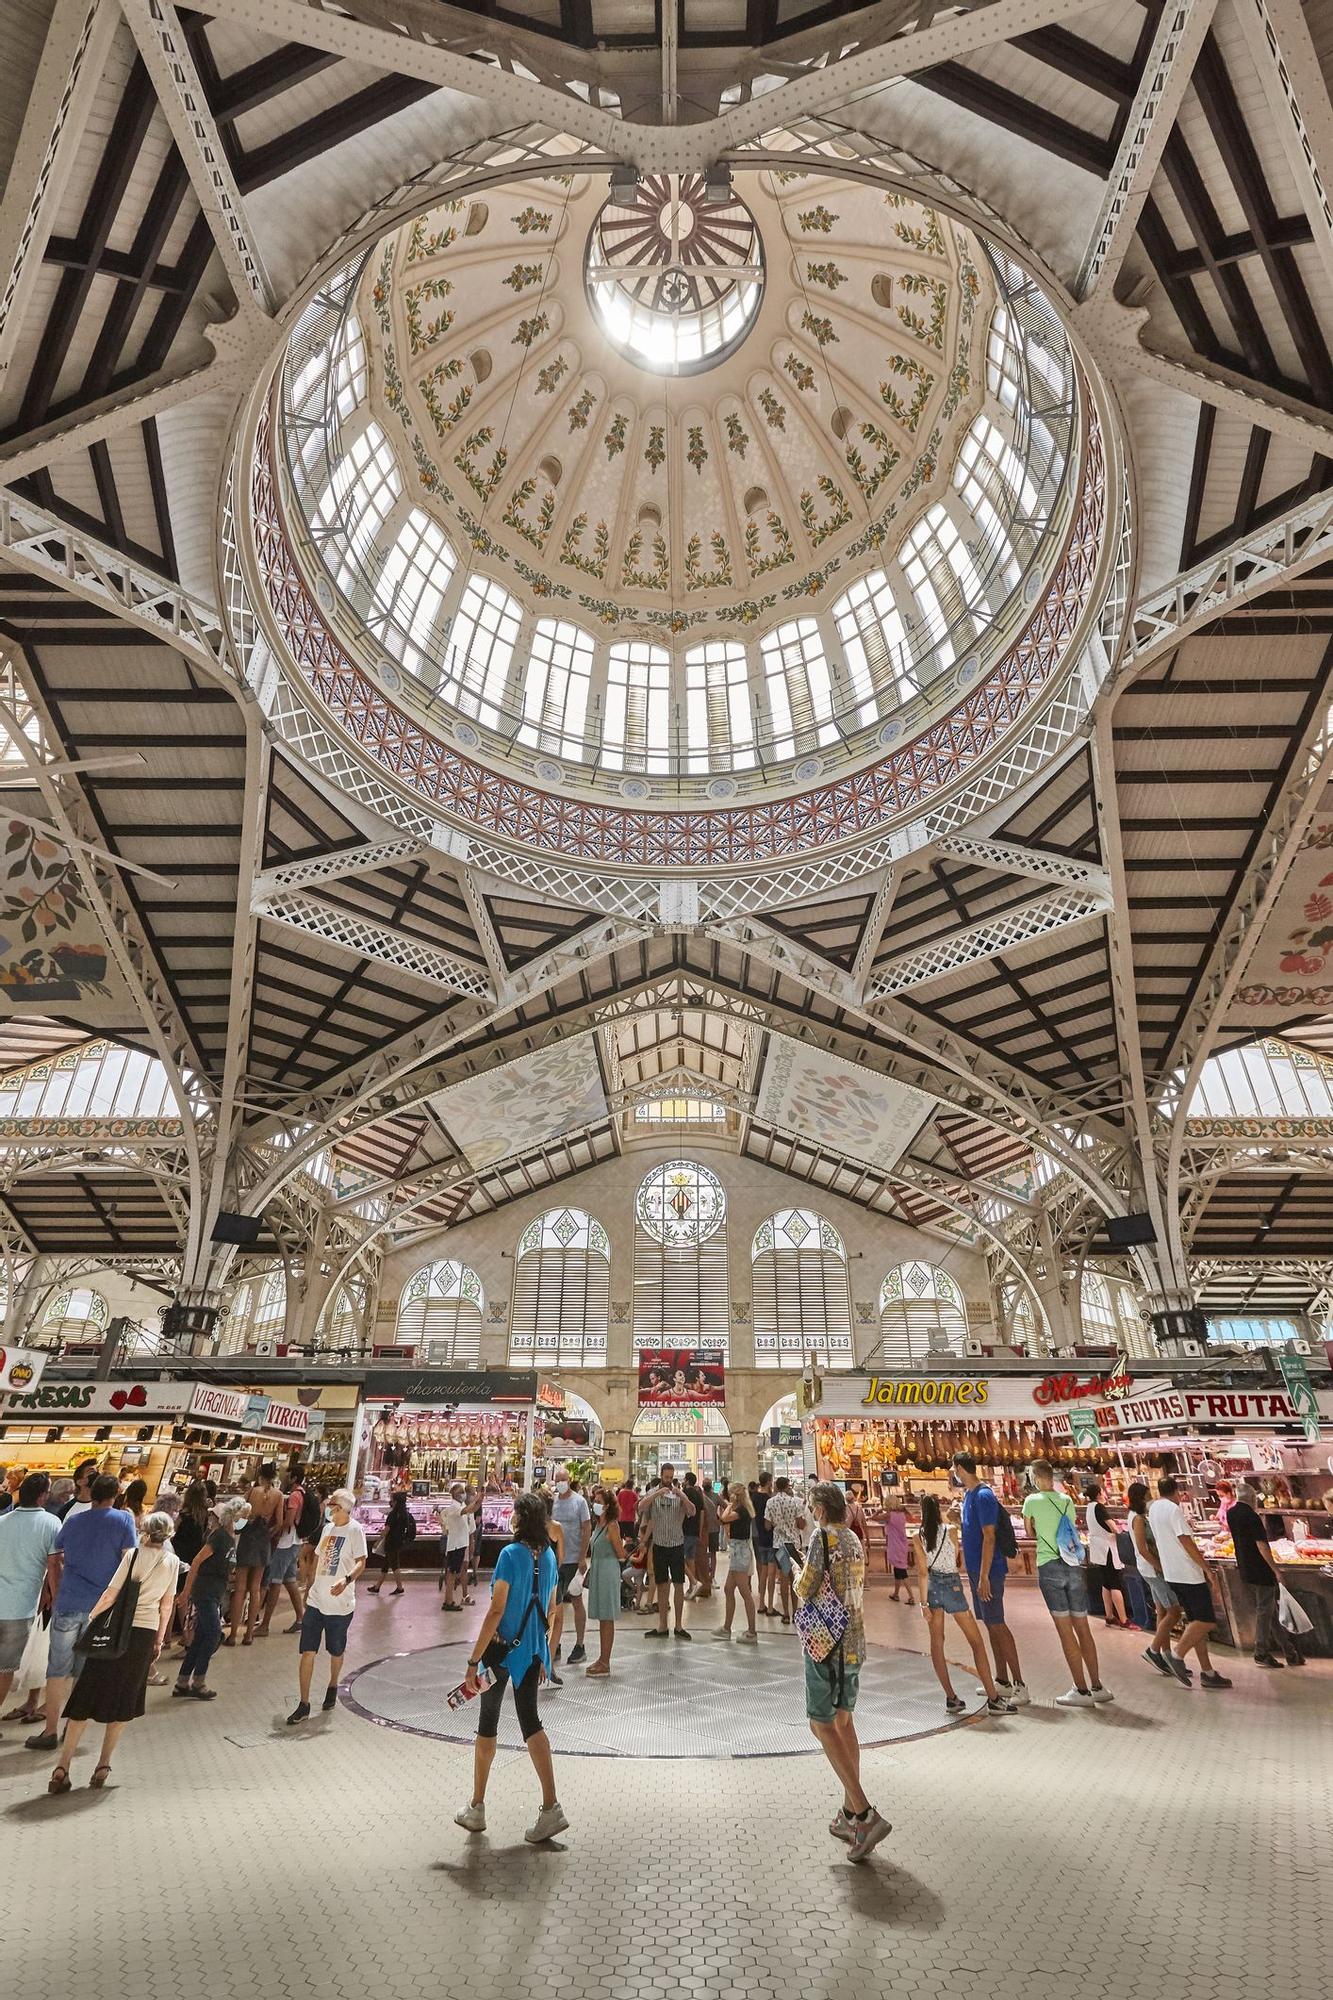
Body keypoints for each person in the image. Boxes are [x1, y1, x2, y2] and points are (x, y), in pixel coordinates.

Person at [454, 1489, 567, 1844]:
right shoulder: (548, 1556)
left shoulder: (508, 1554)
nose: (511, 1518)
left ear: (522, 1519)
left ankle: (477, 1807)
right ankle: (551, 1808)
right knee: (531, 1722)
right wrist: (546, 1652)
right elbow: (551, 1608)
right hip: (531, 1652)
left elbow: (496, 1610)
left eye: (515, 1513)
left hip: (500, 1653)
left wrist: (474, 1659)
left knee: (488, 1722)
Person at [47, 1510, 179, 1793]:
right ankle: (103, 1765)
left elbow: (111, 1594)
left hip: (114, 1631)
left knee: (85, 1696)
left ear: (144, 1529)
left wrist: (92, 1621)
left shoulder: (132, 1556)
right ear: (169, 1533)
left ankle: (62, 1766)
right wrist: (159, 1639)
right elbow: (167, 1604)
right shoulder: (172, 1562)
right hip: (143, 1634)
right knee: (124, 1699)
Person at [796, 1481, 890, 1863]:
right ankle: (849, 1812)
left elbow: (807, 1587)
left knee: (821, 1724)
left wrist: (795, 1571)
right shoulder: (851, 1537)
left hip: (826, 1643)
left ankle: (865, 1814)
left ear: (819, 1508)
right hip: (854, 1639)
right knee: (844, 1721)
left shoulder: (822, 1537)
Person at [27, 1474, 137, 1751]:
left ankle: (49, 1730)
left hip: (68, 1602)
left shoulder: (73, 1521)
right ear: (115, 1496)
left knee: (57, 1669)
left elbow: (56, 1556)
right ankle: (70, 1729)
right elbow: (129, 1561)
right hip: (99, 1609)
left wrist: (55, 1588)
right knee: (83, 1671)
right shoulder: (124, 1520)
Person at [1020, 1461, 1112, 1708]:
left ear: (1036, 1477)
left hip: (1049, 1565)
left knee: (1064, 1629)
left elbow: (1030, 1533)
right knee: (1083, 1627)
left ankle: (1081, 1690)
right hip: (1072, 1564)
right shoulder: (1066, 1501)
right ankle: (1097, 1685)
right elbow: (1070, 1527)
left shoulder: (1032, 1502)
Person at [914, 1495, 1014, 1716]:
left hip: (932, 1588)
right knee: (976, 1642)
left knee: (937, 1644)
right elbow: (957, 1560)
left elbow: (922, 1572)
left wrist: (923, 1605)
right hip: (952, 1586)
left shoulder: (917, 1536)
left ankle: (951, 1697)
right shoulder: (950, 1530)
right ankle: (993, 1698)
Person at [287, 1489, 368, 1725]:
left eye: (333, 1506)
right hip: (316, 1601)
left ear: (343, 1509)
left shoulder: (355, 1530)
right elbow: (319, 1557)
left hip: (340, 1605)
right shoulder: (327, 1529)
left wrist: (347, 1580)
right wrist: (309, 1585)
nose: (330, 1510)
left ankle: (333, 1684)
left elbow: (361, 1561)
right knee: (307, 1651)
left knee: (335, 1650)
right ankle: (303, 1703)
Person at [953, 1455, 1027, 1702]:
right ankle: (1002, 1680)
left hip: (989, 1572)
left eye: (954, 1469)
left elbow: (990, 1536)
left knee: (998, 1624)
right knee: (990, 1624)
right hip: (977, 1571)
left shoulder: (984, 1495)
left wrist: (984, 1575)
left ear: (960, 1469)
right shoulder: (968, 1495)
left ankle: (1020, 1684)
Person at [1147, 1476, 1231, 1689]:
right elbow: (1186, 1541)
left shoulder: (1154, 1509)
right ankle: (1177, 1655)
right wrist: (1206, 1570)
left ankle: (1208, 1672)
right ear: (1176, 1491)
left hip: (1171, 1573)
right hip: (1187, 1573)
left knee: (1196, 1623)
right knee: (1207, 1621)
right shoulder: (1173, 1510)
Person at [0, 1473, 60, 1726]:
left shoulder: (2, 1521)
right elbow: (54, 1565)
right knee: (5, 1668)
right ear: (43, 1495)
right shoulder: (51, 1523)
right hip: (21, 1606)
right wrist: (56, 1598)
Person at [174, 1497, 247, 1698]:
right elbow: (197, 1561)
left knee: (202, 1637)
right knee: (213, 1634)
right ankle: (199, 1681)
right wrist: (186, 1591)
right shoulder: (219, 1537)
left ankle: (182, 1681)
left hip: (214, 1592)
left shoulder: (230, 1539)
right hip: (205, 1592)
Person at [1228, 1480, 1303, 1668]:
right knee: (1265, 1610)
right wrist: (1275, 1570)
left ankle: (1290, 1652)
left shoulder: (1232, 1513)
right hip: (1260, 1569)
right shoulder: (1251, 1517)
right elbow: (1262, 1546)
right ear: (1252, 1498)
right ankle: (1260, 1651)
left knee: (1269, 1609)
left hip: (1245, 1568)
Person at [228, 1461, 281, 1646]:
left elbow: (240, 1514)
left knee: (240, 1589)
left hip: (248, 1539)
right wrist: (268, 1533)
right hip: (263, 1541)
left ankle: (233, 1634)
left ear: (260, 1476)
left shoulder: (251, 1492)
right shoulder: (279, 1495)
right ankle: (249, 1634)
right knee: (256, 1588)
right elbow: (280, 1522)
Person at [643, 1463, 696, 1640]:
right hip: (659, 1545)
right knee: (662, 1585)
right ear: (661, 1475)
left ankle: (679, 1625)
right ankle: (662, 1626)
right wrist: (656, 1494)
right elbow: (641, 1507)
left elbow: (692, 1512)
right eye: (665, 1477)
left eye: (670, 1477)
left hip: (676, 1545)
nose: (668, 1481)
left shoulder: (679, 1494)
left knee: (679, 1585)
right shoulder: (653, 1493)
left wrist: (683, 1496)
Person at [256, 1473, 307, 1635]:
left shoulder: (293, 1496)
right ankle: (301, 1618)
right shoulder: (303, 1493)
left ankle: (265, 1625)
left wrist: (275, 1532)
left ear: (293, 1477)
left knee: (275, 1581)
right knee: (290, 1580)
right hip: (296, 1541)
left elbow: (289, 1520)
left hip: (286, 1543)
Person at [583, 1484, 625, 1676]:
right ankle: (601, 1658)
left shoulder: (612, 1526)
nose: (595, 1504)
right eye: (594, 1501)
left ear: (607, 1506)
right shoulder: (599, 1525)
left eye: (599, 1502)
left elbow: (620, 1553)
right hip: (599, 1569)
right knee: (602, 1617)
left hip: (608, 1571)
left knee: (607, 1617)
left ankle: (605, 1661)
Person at [550, 1473, 591, 1665]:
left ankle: (580, 1644)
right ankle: (554, 1642)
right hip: (556, 1560)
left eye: (562, 1480)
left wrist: (583, 1556)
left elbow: (586, 1528)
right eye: (557, 1480)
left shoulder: (579, 1502)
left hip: (574, 1559)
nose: (560, 1483)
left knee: (576, 1599)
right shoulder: (553, 1501)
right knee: (554, 1603)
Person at [712, 1480, 758, 1642]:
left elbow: (724, 1518)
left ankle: (752, 1632)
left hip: (740, 1552)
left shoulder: (741, 1510)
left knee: (745, 1593)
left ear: (735, 1495)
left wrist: (729, 1505)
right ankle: (726, 1628)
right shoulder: (743, 1508)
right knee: (728, 1589)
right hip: (738, 1550)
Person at [1084, 1481, 1128, 1627]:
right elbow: (1113, 1528)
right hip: (1107, 1547)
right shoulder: (1099, 1507)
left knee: (1106, 1582)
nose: (1104, 1494)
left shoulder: (1089, 1507)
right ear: (1098, 1494)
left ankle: (1109, 1615)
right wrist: (1120, 1530)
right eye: (1102, 1492)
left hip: (1098, 1548)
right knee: (1114, 1582)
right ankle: (1123, 1619)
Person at [764, 1477, 807, 1624]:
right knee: (793, 1578)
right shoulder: (796, 1502)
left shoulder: (770, 1502)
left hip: (779, 1544)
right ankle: (796, 1612)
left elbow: (767, 1526)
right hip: (794, 1544)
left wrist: (778, 1524)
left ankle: (786, 1614)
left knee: (783, 1578)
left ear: (776, 1486)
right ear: (788, 1487)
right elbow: (801, 1525)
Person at [438, 1482, 480, 1613]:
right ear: (456, 1495)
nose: (464, 1494)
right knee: (451, 1573)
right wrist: (477, 1500)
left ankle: (449, 1600)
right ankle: (448, 1601)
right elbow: (467, 1510)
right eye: (461, 1492)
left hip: (460, 1544)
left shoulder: (460, 1505)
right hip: (456, 1545)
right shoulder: (454, 1508)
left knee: (453, 1572)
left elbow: (471, 1510)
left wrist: (478, 1501)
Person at [367, 1492, 414, 1595]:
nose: (390, 1502)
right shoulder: (404, 1513)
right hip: (398, 1541)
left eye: (392, 1500)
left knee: (395, 1566)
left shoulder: (393, 1514)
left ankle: (400, 1587)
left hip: (391, 1542)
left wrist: (378, 1541)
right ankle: (377, 1587)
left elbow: (386, 1530)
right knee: (386, 1565)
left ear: (396, 1502)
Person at [752, 1472, 777, 1616]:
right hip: (771, 1538)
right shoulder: (769, 1500)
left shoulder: (754, 1497)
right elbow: (770, 1522)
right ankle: (770, 1606)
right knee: (771, 1573)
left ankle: (761, 1603)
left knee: (762, 1572)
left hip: (759, 1537)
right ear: (768, 1482)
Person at [883, 1492, 915, 1603]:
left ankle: (911, 1596)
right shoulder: (902, 1514)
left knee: (902, 1571)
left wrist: (878, 1511)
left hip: (895, 1545)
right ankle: (896, 1594)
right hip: (902, 1543)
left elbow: (874, 1518)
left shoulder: (889, 1515)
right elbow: (912, 1519)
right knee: (898, 1570)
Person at [681, 1470, 706, 1598]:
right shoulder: (698, 1494)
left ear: (687, 1480)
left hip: (685, 1530)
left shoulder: (685, 1493)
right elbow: (702, 1512)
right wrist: (700, 1530)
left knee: (679, 1559)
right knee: (691, 1559)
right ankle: (692, 1589)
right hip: (695, 1531)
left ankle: (693, 1582)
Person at [697, 1478, 721, 1598]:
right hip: (704, 1530)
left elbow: (726, 1506)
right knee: (703, 1555)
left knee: (713, 1553)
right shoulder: (700, 1496)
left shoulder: (716, 1496)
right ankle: (705, 1577)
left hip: (714, 1530)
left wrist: (720, 1520)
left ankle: (712, 1577)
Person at [615, 1478, 638, 1552]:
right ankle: (628, 1551)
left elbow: (617, 1504)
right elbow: (636, 1506)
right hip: (630, 1519)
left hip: (621, 1518)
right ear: (632, 1486)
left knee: (620, 1536)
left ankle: (620, 1551)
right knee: (630, 1538)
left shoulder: (621, 1493)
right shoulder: (634, 1494)